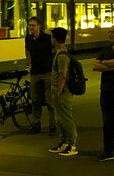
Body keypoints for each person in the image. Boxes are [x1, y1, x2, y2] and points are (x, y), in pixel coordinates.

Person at [92, 24, 114, 162]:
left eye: (112, 32)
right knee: (107, 123)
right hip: (106, 91)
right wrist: (113, 63)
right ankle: (108, 151)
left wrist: (104, 64)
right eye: (109, 31)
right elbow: (95, 66)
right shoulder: (105, 49)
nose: (109, 33)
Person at [48, 27, 78, 156]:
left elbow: (63, 75)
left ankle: (72, 145)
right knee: (60, 118)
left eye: (52, 37)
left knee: (66, 118)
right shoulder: (59, 53)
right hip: (58, 92)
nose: (51, 39)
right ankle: (64, 142)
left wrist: (59, 92)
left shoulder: (61, 56)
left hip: (62, 93)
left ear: (55, 39)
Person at [25, 16, 56, 135]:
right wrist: (29, 64)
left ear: (39, 26)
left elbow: (57, 48)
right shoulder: (28, 38)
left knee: (50, 100)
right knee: (36, 100)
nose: (31, 27)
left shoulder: (47, 38)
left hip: (47, 72)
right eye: (29, 25)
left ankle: (53, 126)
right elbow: (27, 51)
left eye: (33, 25)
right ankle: (36, 125)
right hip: (35, 74)